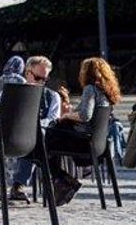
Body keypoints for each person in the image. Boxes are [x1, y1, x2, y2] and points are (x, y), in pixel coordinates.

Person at [45, 57, 122, 206]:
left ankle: (64, 180)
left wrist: (67, 115)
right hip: (99, 144)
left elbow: (85, 116)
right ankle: (63, 180)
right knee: (52, 138)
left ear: (86, 73)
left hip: (84, 143)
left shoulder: (90, 89)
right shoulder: (106, 93)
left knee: (46, 143)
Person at [9, 56, 61, 202]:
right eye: (38, 78)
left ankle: (17, 185)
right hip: (10, 134)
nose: (41, 83)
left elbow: (52, 119)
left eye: (44, 79)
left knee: (37, 134)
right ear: (27, 73)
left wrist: (33, 125)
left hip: (35, 137)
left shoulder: (53, 96)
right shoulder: (12, 93)